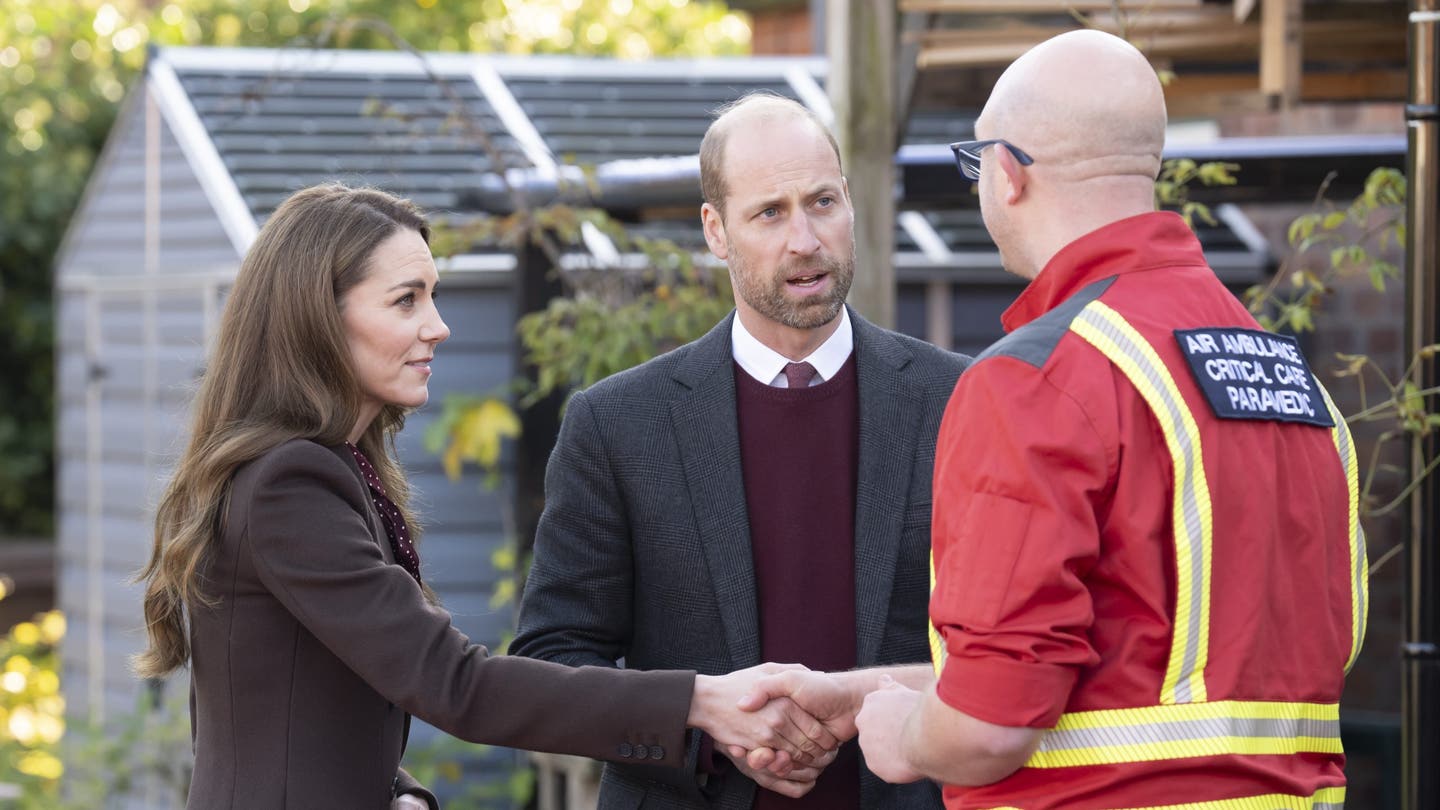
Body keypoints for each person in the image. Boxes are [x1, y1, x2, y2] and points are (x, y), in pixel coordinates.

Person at [134, 183, 849, 810]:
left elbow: (310, 713)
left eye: (433, 295)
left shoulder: (330, 471)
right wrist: (700, 701)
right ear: (319, 317)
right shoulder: (290, 486)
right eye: (406, 299)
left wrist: (400, 792)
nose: (437, 326)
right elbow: (455, 685)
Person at [840, 29, 1368, 809]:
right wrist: (862, 689)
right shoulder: (1293, 383)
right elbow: (1158, 673)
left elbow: (990, 723)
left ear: (1008, 174)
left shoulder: (1038, 380)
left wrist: (902, 735)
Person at [509, 93, 967, 810]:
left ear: (850, 203)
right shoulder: (618, 425)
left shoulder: (959, 402)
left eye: (822, 202)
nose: (806, 239)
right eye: (770, 213)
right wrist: (700, 724)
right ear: (716, 231)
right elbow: (551, 662)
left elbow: (1005, 649)